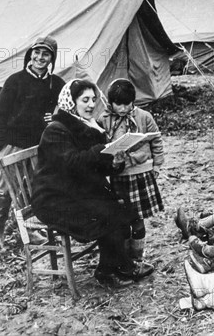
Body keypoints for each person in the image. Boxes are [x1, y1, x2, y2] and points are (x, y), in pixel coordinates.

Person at [31, 79, 153, 287]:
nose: (90, 105)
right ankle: (112, 270)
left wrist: (115, 162)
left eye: (93, 100)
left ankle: (116, 266)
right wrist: (100, 150)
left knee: (119, 207)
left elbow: (96, 167)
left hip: (75, 192)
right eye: (84, 100)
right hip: (52, 199)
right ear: (71, 102)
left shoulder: (87, 126)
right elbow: (72, 164)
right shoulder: (56, 129)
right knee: (107, 213)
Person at [0, 36, 65, 252]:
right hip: (13, 145)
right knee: (6, 191)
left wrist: (57, 119)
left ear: (52, 58)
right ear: (30, 54)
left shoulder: (55, 83)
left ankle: (33, 231)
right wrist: (3, 146)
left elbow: (68, 107)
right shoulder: (15, 81)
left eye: (46, 54)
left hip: (39, 147)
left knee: (35, 189)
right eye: (37, 53)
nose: (40, 58)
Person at [99, 79, 165, 263]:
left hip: (141, 174)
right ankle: (124, 256)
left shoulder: (144, 117)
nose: (123, 108)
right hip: (119, 176)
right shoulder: (104, 120)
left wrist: (157, 165)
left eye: (127, 104)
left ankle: (137, 256)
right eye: (118, 104)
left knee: (138, 218)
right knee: (122, 218)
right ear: (110, 102)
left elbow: (156, 141)